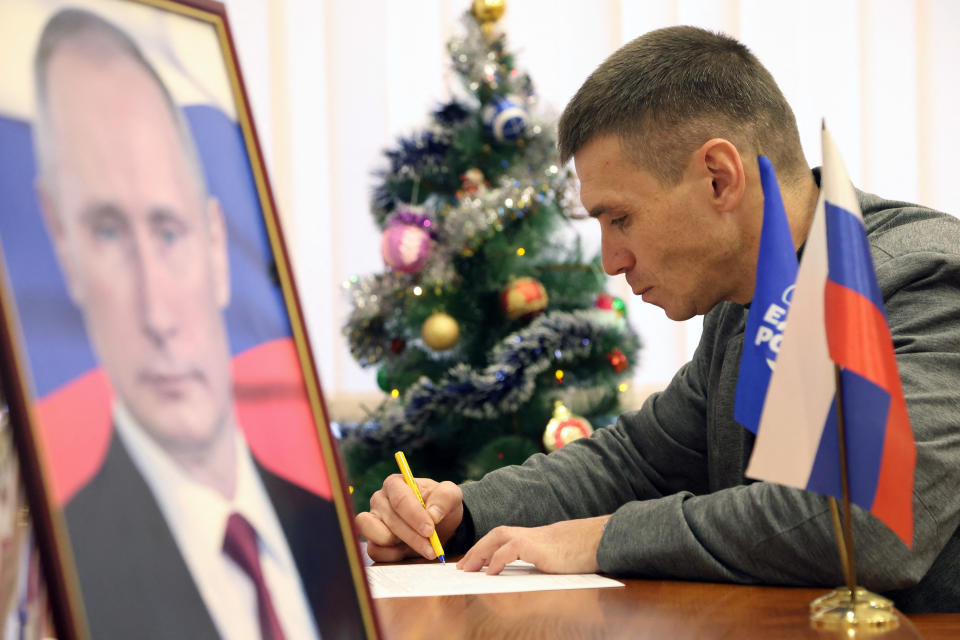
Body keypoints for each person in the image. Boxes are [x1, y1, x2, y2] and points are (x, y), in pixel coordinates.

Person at [356, 25, 960, 613]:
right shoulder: (744, 303)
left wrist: (602, 538)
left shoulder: (923, 279)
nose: (610, 261)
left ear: (719, 178)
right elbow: (637, 461)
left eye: (620, 218)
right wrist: (463, 510)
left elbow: (870, 521)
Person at [32, 8, 362, 639]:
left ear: (216, 246)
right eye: (106, 231)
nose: (157, 315)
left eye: (169, 230)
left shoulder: (327, 533)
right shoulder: (74, 576)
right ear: (63, 248)